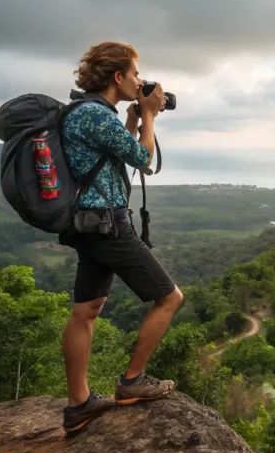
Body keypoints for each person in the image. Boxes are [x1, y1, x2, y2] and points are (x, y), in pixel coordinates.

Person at [59, 41, 184, 432]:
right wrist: (149, 116)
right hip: (108, 226)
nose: (140, 82)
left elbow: (115, 154)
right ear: (118, 77)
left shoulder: (88, 113)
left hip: (90, 225)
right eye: (135, 76)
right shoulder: (95, 116)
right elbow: (143, 159)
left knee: (87, 311)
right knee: (168, 298)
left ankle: (79, 404)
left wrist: (132, 119)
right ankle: (132, 381)